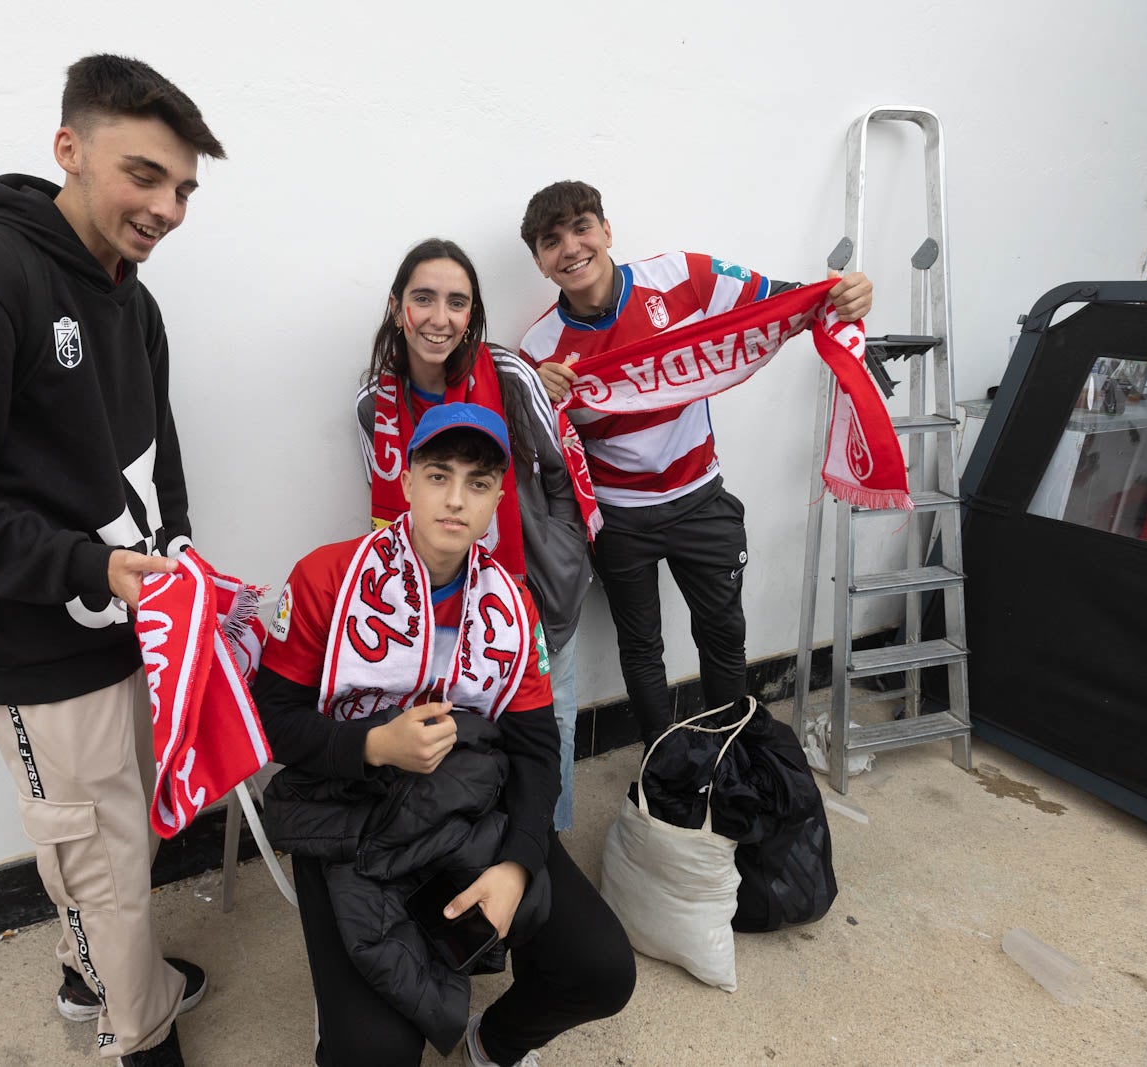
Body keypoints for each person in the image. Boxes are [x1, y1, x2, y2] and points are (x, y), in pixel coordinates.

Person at [0, 54, 223, 1066]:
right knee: (97, 846)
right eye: (143, 175)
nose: (165, 206)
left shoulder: (132, 294)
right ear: (68, 150)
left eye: (183, 189)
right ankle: (137, 1033)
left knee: (120, 835)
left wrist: (180, 561)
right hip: (35, 639)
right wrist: (89, 571)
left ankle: (102, 975)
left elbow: (156, 451)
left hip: (130, 619)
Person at [254, 404, 635, 1067]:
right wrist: (372, 746)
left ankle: (494, 1042)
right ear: (405, 482)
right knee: (372, 1053)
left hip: (469, 800)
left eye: (479, 482)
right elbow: (272, 719)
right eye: (438, 475)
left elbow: (538, 748)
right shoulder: (326, 578)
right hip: (350, 811)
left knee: (602, 968)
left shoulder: (511, 604)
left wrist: (517, 866)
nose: (456, 499)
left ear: (495, 500)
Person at [516, 181, 874, 747]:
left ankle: (729, 752)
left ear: (607, 231)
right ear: (540, 263)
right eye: (551, 241)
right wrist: (539, 391)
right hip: (619, 517)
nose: (571, 247)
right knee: (640, 647)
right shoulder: (538, 346)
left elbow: (785, 299)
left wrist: (843, 294)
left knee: (724, 635)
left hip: (701, 497)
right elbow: (533, 449)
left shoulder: (680, 274)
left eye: (582, 227)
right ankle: (665, 763)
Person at [354, 238, 590, 830]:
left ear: (472, 313)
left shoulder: (507, 374)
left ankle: (543, 847)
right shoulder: (373, 406)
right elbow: (392, 503)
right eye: (423, 299)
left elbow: (562, 469)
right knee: (460, 725)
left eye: (457, 302)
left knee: (550, 719)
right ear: (395, 306)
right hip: (431, 604)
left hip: (529, 588)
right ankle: (475, 846)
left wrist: (558, 554)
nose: (440, 318)